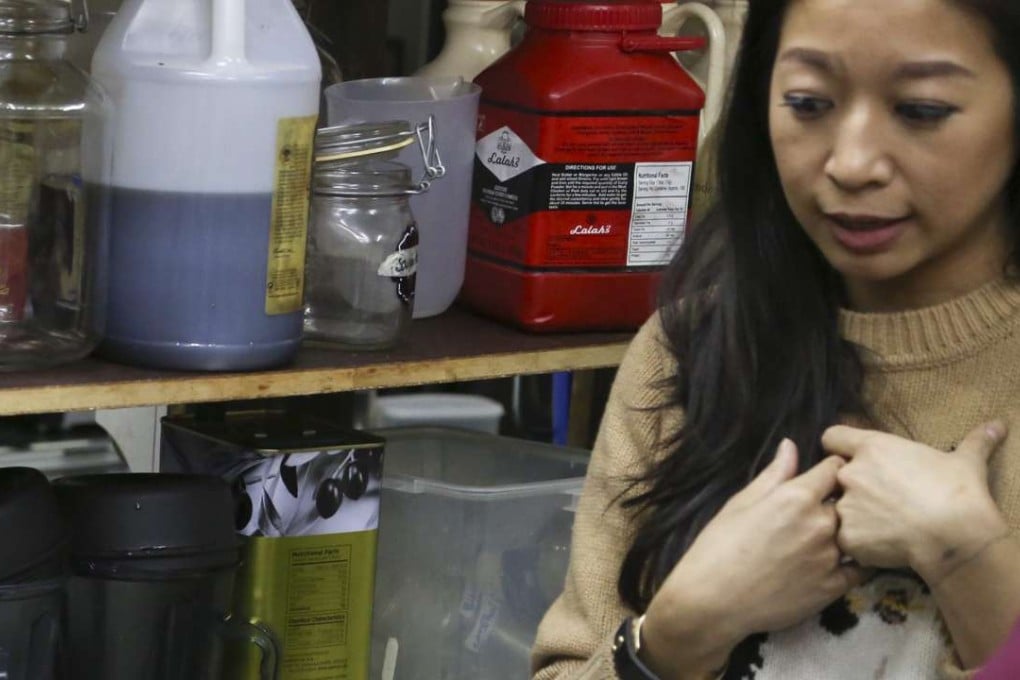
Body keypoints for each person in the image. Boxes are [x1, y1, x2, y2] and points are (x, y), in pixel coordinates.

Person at [531, 0, 1020, 678]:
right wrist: (680, 631)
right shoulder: (690, 348)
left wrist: (965, 556)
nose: (852, 164)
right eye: (808, 104)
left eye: (921, 110)